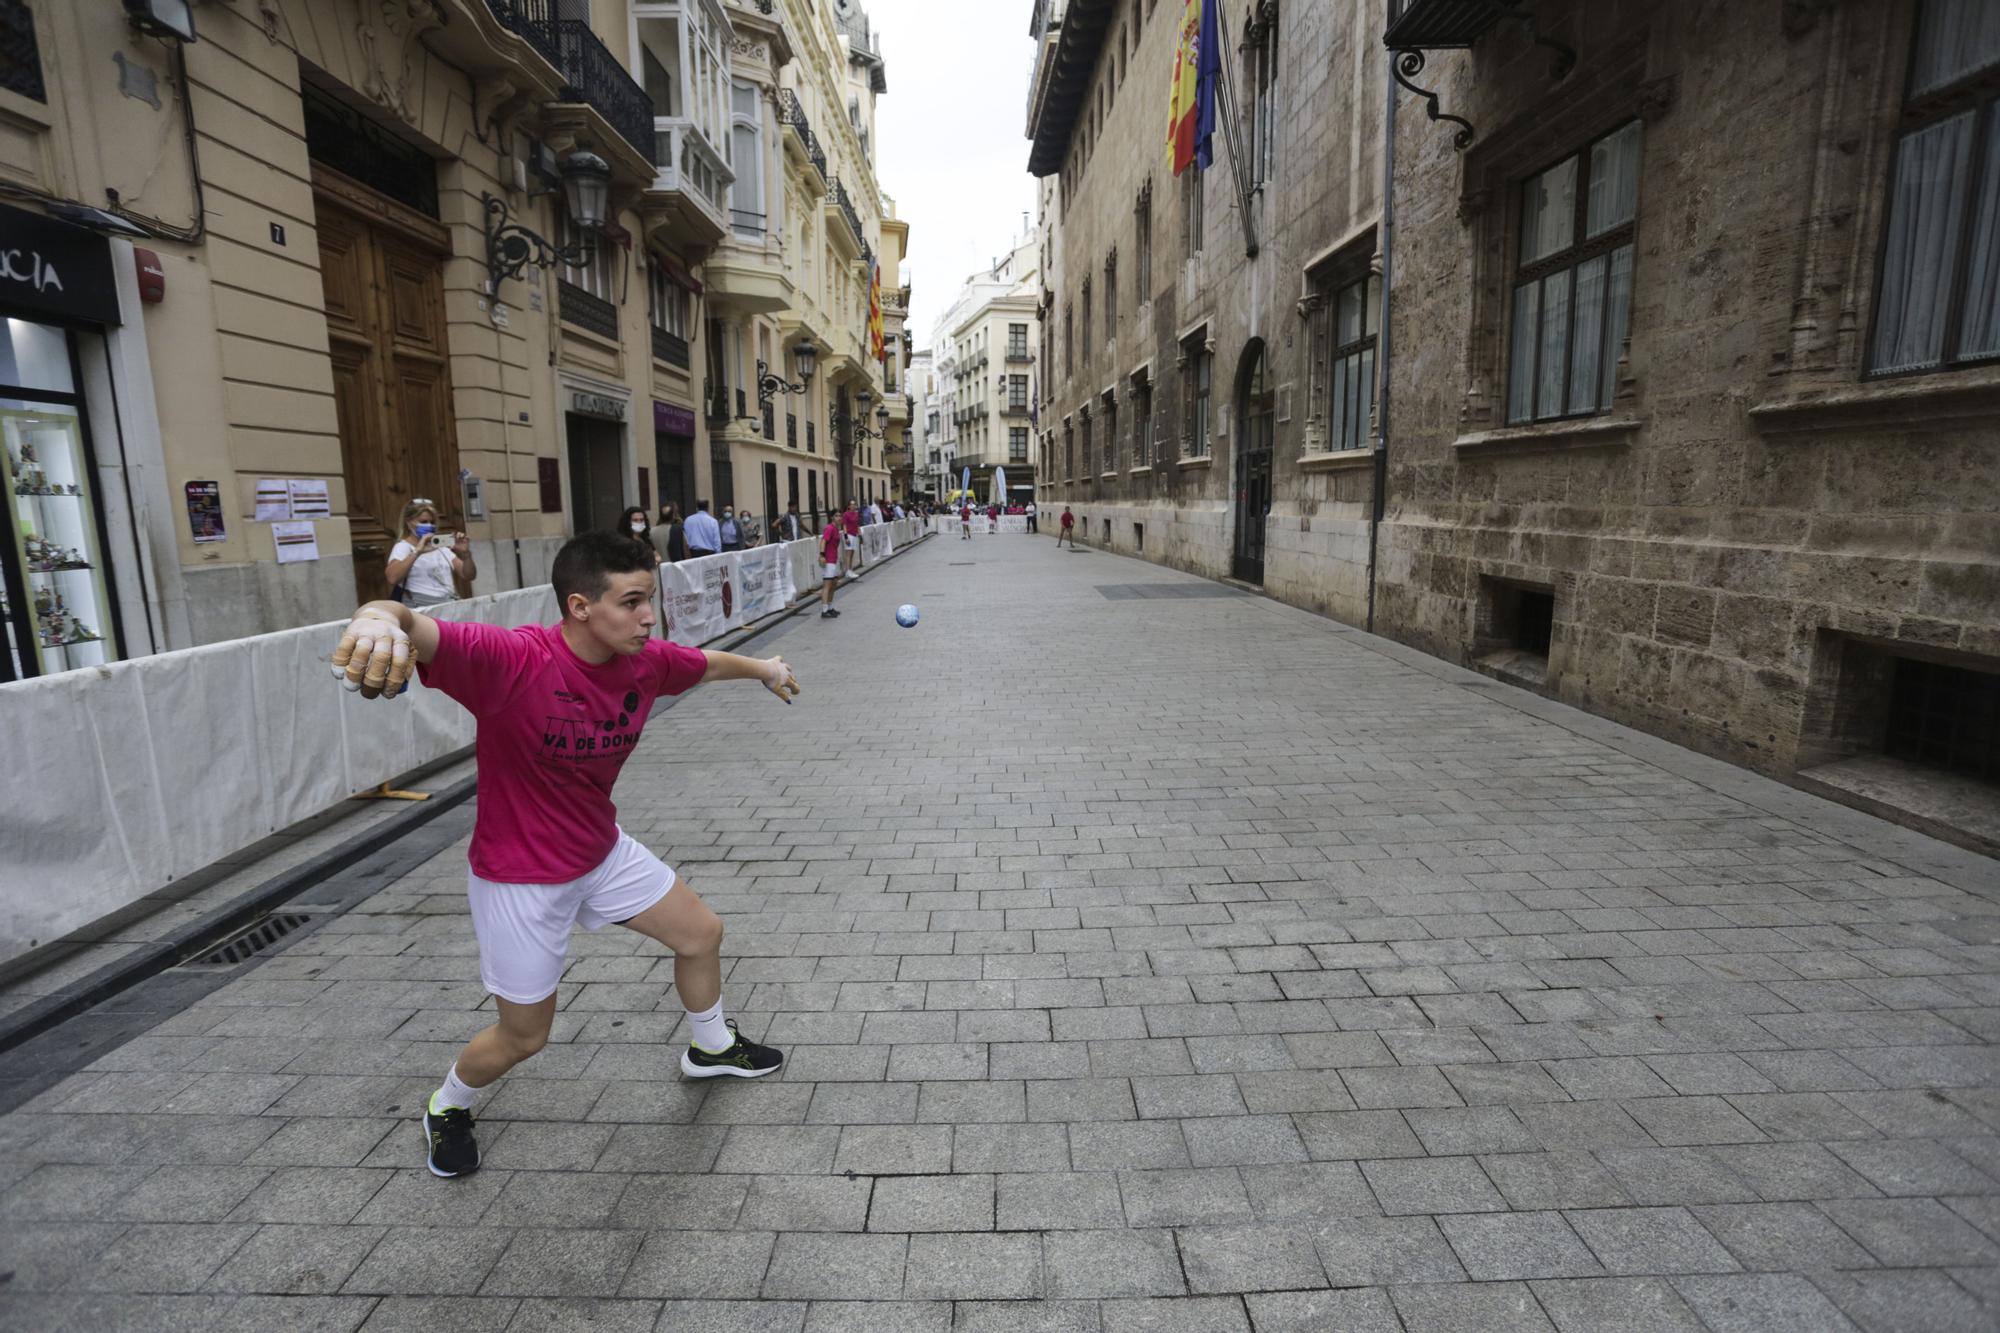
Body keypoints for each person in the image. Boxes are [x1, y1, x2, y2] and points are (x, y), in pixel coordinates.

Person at [327, 531, 797, 1178]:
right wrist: (377, 618)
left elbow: (706, 662)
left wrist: (765, 670)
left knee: (701, 934)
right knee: (525, 1037)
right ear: (579, 606)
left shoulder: (645, 661)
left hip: (602, 852)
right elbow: (411, 620)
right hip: (520, 877)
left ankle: (711, 1045)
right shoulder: (511, 659)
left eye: (649, 599)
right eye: (632, 602)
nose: (648, 616)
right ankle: (447, 1104)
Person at [387, 498, 476, 607]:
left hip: (447, 605)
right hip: (421, 609)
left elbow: (468, 575)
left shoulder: (440, 547)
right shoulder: (403, 547)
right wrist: (417, 552)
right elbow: (392, 578)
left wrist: (466, 554)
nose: (429, 526)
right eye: (423, 522)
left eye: (432, 522)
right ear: (409, 522)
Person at [818, 512, 843, 619]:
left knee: (834, 585)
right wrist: (822, 555)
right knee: (827, 586)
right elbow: (823, 541)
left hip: (834, 560)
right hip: (828, 561)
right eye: (836, 516)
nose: (839, 518)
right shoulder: (829, 528)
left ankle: (830, 607)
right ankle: (824, 611)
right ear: (832, 517)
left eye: (840, 516)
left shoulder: (836, 529)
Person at [841, 500, 862, 578]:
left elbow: (857, 525)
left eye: (854, 504)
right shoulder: (846, 514)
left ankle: (850, 569)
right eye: (852, 504)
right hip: (849, 535)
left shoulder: (856, 514)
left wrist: (860, 535)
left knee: (852, 553)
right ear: (849, 506)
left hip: (855, 535)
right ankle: (847, 571)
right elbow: (844, 526)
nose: (853, 506)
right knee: (848, 554)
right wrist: (846, 537)